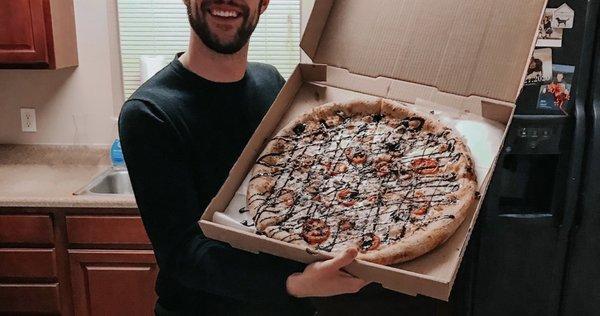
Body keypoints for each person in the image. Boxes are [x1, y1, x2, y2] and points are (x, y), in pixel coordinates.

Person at [118, 0, 368, 315]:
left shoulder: (272, 83)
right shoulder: (151, 113)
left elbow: (302, 194)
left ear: (263, 4)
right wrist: (295, 284)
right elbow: (184, 254)